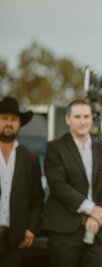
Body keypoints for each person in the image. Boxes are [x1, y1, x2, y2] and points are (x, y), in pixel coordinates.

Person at [41, 99, 102, 267]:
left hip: (98, 229)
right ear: (68, 119)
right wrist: (91, 209)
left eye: (86, 116)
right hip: (64, 230)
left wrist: (100, 213)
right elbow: (58, 185)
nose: (83, 121)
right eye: (77, 116)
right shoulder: (55, 147)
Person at [0, 97, 44, 267]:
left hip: (14, 240)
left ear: (19, 123)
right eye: (4, 118)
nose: (9, 123)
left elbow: (37, 199)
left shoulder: (29, 157)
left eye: (13, 119)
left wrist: (31, 229)